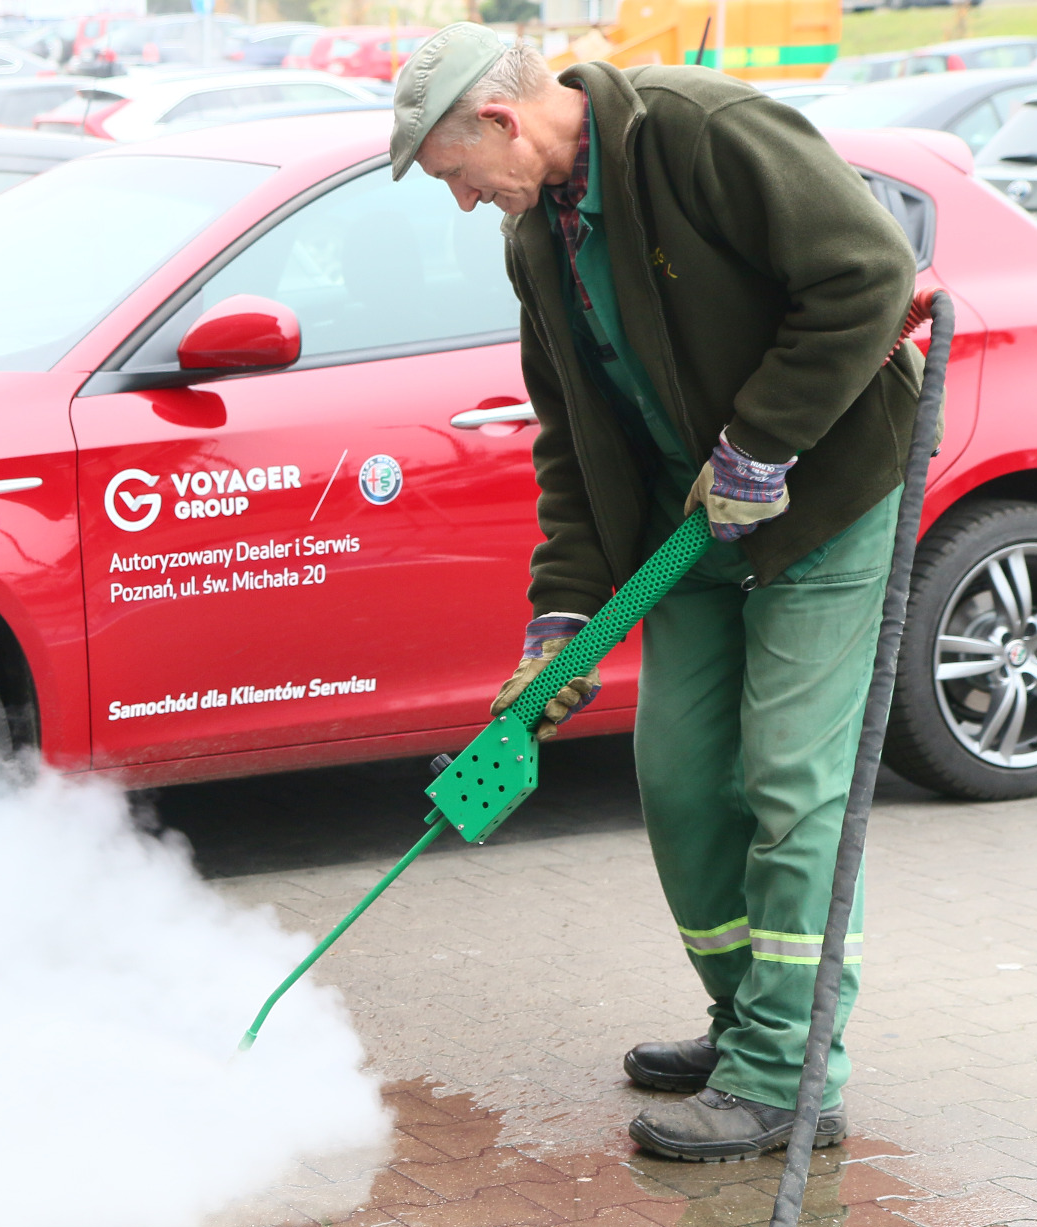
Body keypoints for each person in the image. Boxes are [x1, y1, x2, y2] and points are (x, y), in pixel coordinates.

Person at [391, 25, 921, 1161]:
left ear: (498, 120)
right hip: (688, 535)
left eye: (452, 175)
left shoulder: (702, 134)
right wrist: (559, 615)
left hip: (819, 502)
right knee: (681, 780)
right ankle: (742, 1030)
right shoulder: (537, 238)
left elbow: (865, 274)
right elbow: (572, 444)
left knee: (787, 777)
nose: (461, 201)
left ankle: (788, 1074)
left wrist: (760, 446)